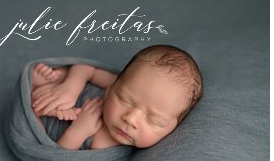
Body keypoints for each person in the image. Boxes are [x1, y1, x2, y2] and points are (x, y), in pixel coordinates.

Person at [30, 45, 203, 150]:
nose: (130, 119)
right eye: (124, 99)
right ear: (117, 83)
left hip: (50, 124)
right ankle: (47, 85)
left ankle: (36, 93)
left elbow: (60, 157)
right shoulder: (113, 83)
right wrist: (70, 87)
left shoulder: (102, 146)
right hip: (63, 95)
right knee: (58, 78)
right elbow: (86, 68)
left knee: (34, 115)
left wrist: (79, 131)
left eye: (154, 120)